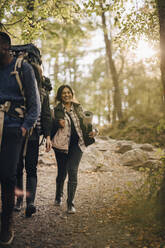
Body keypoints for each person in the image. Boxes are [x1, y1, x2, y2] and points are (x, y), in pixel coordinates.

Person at [0, 32, 40, 245]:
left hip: (14, 128)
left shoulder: (22, 68)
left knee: (8, 175)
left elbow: (35, 105)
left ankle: (6, 222)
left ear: (5, 47)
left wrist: (24, 128)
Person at [51, 85, 97, 214]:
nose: (66, 95)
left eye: (68, 92)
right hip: (61, 146)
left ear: (72, 94)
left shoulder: (78, 107)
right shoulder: (57, 110)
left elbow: (87, 123)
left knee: (72, 170)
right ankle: (58, 195)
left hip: (77, 145)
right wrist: (57, 123)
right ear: (60, 96)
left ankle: (70, 203)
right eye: (64, 93)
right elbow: (51, 126)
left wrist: (94, 131)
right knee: (62, 172)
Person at [14, 75, 52, 217]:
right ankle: (19, 200)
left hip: (34, 134)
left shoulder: (42, 91)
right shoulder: (17, 84)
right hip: (17, 133)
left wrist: (48, 136)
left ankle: (30, 202)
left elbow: (46, 115)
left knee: (31, 168)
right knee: (17, 168)